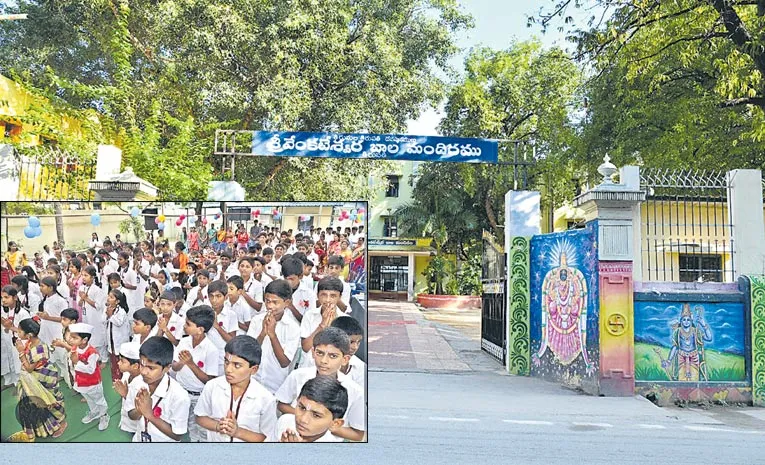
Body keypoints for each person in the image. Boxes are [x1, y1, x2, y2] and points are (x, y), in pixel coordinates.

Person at [275, 327, 365, 441]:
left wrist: (321, 425)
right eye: (320, 353)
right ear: (313, 352)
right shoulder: (298, 375)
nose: (324, 361)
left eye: (333, 356)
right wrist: (303, 419)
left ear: (345, 359)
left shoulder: (356, 392)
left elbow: (358, 434)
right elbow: (282, 404)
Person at [194, 335, 277, 442]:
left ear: (254, 369)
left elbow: (267, 437)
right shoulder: (212, 386)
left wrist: (237, 432)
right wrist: (218, 426)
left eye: (237, 365)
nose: (228, 369)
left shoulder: (265, 399)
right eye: (226, 362)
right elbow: (200, 417)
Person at [9, 318, 67, 442]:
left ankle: (60, 424)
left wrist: (20, 352)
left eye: (19, 331)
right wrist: (11, 328)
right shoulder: (31, 341)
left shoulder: (39, 349)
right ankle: (44, 427)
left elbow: (29, 368)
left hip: (43, 378)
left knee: (47, 401)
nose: (17, 334)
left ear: (28, 335)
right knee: (34, 405)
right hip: (33, 378)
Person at [125, 336, 191, 442]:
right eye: (142, 365)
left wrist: (149, 414)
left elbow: (177, 435)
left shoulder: (179, 396)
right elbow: (131, 415)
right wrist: (139, 410)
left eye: (151, 368)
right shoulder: (137, 382)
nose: (143, 372)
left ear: (167, 368)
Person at [171, 305, 220, 442]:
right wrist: (181, 363)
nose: (184, 326)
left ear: (200, 329)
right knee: (186, 423)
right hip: (181, 391)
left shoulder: (211, 349)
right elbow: (174, 367)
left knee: (201, 427)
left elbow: (209, 380)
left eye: (188, 324)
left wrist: (191, 364)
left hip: (199, 396)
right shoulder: (184, 342)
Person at [246, 280, 301, 394]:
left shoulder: (293, 327)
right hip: (253, 381)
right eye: (267, 301)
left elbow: (284, 362)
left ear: (287, 303)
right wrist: (262, 334)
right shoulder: (257, 321)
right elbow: (248, 352)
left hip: (276, 386)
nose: (270, 306)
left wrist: (272, 335)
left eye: (275, 302)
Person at [277, 376, 348, 443]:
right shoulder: (285, 422)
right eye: (302, 408)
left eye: (316, 415)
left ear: (335, 424)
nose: (303, 419)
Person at [68, 322, 110, 431]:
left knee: (99, 400)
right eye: (71, 336)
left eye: (74, 337)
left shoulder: (92, 352)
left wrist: (77, 363)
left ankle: (104, 416)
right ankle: (94, 412)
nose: (70, 339)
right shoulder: (75, 347)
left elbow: (91, 370)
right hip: (81, 382)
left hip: (92, 382)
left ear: (84, 340)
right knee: (89, 399)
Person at [300, 277, 346, 368]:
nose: (328, 300)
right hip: (309, 366)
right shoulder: (310, 315)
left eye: (333, 296)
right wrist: (322, 326)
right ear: (318, 296)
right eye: (324, 295)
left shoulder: (344, 319)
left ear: (339, 297)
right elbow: (305, 347)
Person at [1, 285, 31, 388]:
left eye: (6, 297)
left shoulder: (23, 313)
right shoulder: (5, 311)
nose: (3, 300)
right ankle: (16, 384)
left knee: (21, 366)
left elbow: (28, 333)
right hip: (10, 341)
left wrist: (11, 327)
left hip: (21, 343)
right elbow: (7, 328)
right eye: (2, 297)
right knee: (12, 363)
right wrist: (6, 327)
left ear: (15, 297)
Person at [206, 280, 239, 375]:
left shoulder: (231, 315)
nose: (214, 300)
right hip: (205, 356)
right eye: (211, 296)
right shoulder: (205, 312)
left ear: (225, 297)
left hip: (221, 358)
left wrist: (217, 327)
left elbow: (232, 340)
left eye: (218, 296)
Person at [77, 266, 108, 365]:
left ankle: (104, 358)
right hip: (86, 316)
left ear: (92, 277)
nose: (84, 278)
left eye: (86, 275)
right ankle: (95, 357)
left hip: (96, 317)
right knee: (90, 336)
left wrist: (85, 298)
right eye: (82, 275)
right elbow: (79, 304)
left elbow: (98, 306)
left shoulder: (97, 290)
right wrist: (82, 298)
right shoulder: (82, 288)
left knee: (98, 336)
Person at [113, 342, 143, 437]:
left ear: (135, 366)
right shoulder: (126, 374)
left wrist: (125, 395)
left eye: (122, 361)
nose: (118, 363)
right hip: (128, 419)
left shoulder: (143, 385)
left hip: (137, 425)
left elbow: (141, 410)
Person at [331, 316, 366, 388]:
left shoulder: (360, 367)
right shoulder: (319, 361)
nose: (355, 347)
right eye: (351, 342)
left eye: (358, 342)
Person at [105, 289, 132, 381]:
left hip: (119, 342)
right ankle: (115, 379)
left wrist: (110, 316)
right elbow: (103, 320)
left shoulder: (121, 311)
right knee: (113, 362)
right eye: (108, 296)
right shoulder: (108, 308)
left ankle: (122, 380)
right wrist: (107, 315)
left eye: (111, 297)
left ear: (117, 301)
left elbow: (118, 322)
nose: (108, 298)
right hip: (111, 341)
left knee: (120, 362)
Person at [282, 258, 316, 324]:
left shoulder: (309, 294)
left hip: (299, 331)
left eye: (291, 279)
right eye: (286, 279)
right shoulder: (278, 289)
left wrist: (291, 307)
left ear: (300, 276)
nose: (288, 282)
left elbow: (309, 322)